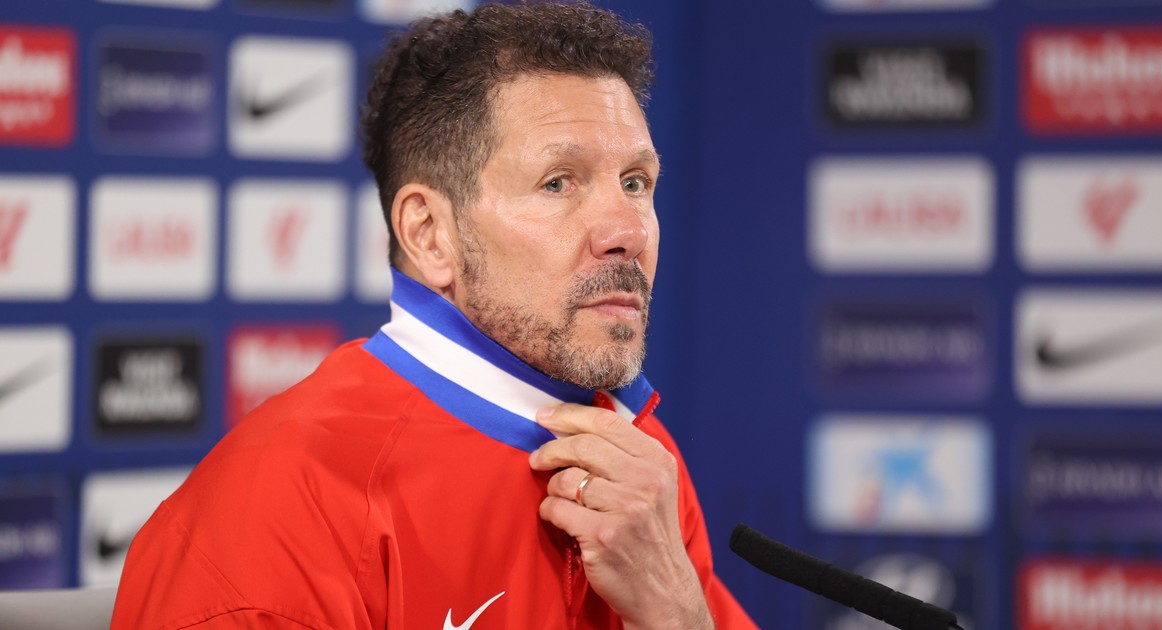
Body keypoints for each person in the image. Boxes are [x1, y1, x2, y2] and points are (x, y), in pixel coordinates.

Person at [111, 3, 756, 628]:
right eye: (558, 182)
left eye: (636, 182)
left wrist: (677, 614)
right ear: (429, 235)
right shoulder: (281, 509)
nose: (627, 232)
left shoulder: (638, 459)